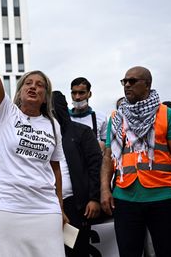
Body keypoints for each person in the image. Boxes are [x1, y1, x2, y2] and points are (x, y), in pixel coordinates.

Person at [0, 0, 67, 257]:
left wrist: (60, 207)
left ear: (46, 94)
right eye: (28, 84)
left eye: (40, 85)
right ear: (20, 91)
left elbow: (55, 168)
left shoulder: (52, 125)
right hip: (7, 209)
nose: (33, 87)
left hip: (46, 211)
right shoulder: (6, 113)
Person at [100, 66, 171, 257]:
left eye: (132, 81)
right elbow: (109, 156)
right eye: (124, 81)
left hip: (162, 197)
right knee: (128, 253)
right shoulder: (117, 117)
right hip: (124, 197)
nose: (127, 85)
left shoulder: (166, 114)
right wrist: (105, 190)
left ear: (147, 85)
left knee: (168, 251)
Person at [52, 91, 102, 257]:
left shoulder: (82, 132)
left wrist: (94, 198)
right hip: (49, 205)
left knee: (76, 250)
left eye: (54, 109)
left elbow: (96, 166)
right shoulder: (42, 135)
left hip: (76, 205)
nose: (51, 113)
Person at [69, 77, 108, 151]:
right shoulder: (65, 118)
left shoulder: (100, 117)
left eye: (81, 93)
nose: (77, 97)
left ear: (89, 94)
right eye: (74, 93)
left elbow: (106, 144)